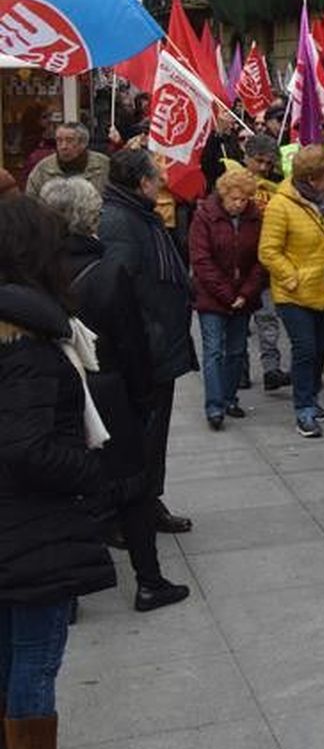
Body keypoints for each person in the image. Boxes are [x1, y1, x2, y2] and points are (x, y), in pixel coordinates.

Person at [0, 197, 119, 749]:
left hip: (17, 527)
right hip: (30, 529)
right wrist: (91, 470)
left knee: (12, 656)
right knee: (34, 659)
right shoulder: (26, 342)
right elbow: (26, 447)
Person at [41, 179, 189, 614]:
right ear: (91, 218)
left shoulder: (36, 269)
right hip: (107, 389)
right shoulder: (107, 272)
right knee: (131, 488)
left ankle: (70, 594)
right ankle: (149, 582)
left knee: (71, 490)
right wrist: (142, 397)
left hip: (58, 390)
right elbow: (131, 342)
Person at [98, 149, 197, 532]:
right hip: (142, 351)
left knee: (152, 436)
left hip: (157, 346)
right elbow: (118, 292)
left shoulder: (140, 215)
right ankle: (125, 514)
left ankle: (147, 503)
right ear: (142, 183)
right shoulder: (121, 222)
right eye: (157, 176)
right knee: (136, 437)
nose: (163, 181)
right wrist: (146, 338)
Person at [259, 145, 324, 438]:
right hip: (294, 294)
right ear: (311, 178)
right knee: (305, 349)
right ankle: (303, 407)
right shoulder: (280, 205)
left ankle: (313, 397)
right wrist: (291, 277)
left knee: (320, 349)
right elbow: (268, 251)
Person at [188, 169, 267, 430]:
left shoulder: (255, 218)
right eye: (235, 199)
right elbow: (201, 260)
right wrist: (227, 294)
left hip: (243, 295)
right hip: (212, 295)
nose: (239, 204)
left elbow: (261, 260)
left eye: (244, 199)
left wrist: (245, 293)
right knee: (213, 350)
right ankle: (214, 406)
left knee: (236, 350)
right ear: (223, 195)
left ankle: (229, 397)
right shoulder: (205, 217)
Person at [236, 133, 288, 391]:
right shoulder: (234, 182)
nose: (264, 167)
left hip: (266, 260)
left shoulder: (276, 185)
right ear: (247, 158)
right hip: (240, 262)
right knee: (239, 321)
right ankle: (240, 369)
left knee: (268, 318)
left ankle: (271, 368)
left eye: (269, 163)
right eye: (259, 161)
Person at [24, 122, 110, 199]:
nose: (63, 146)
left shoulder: (103, 165)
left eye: (69, 140)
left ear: (83, 143)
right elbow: (30, 201)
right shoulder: (43, 169)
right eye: (59, 140)